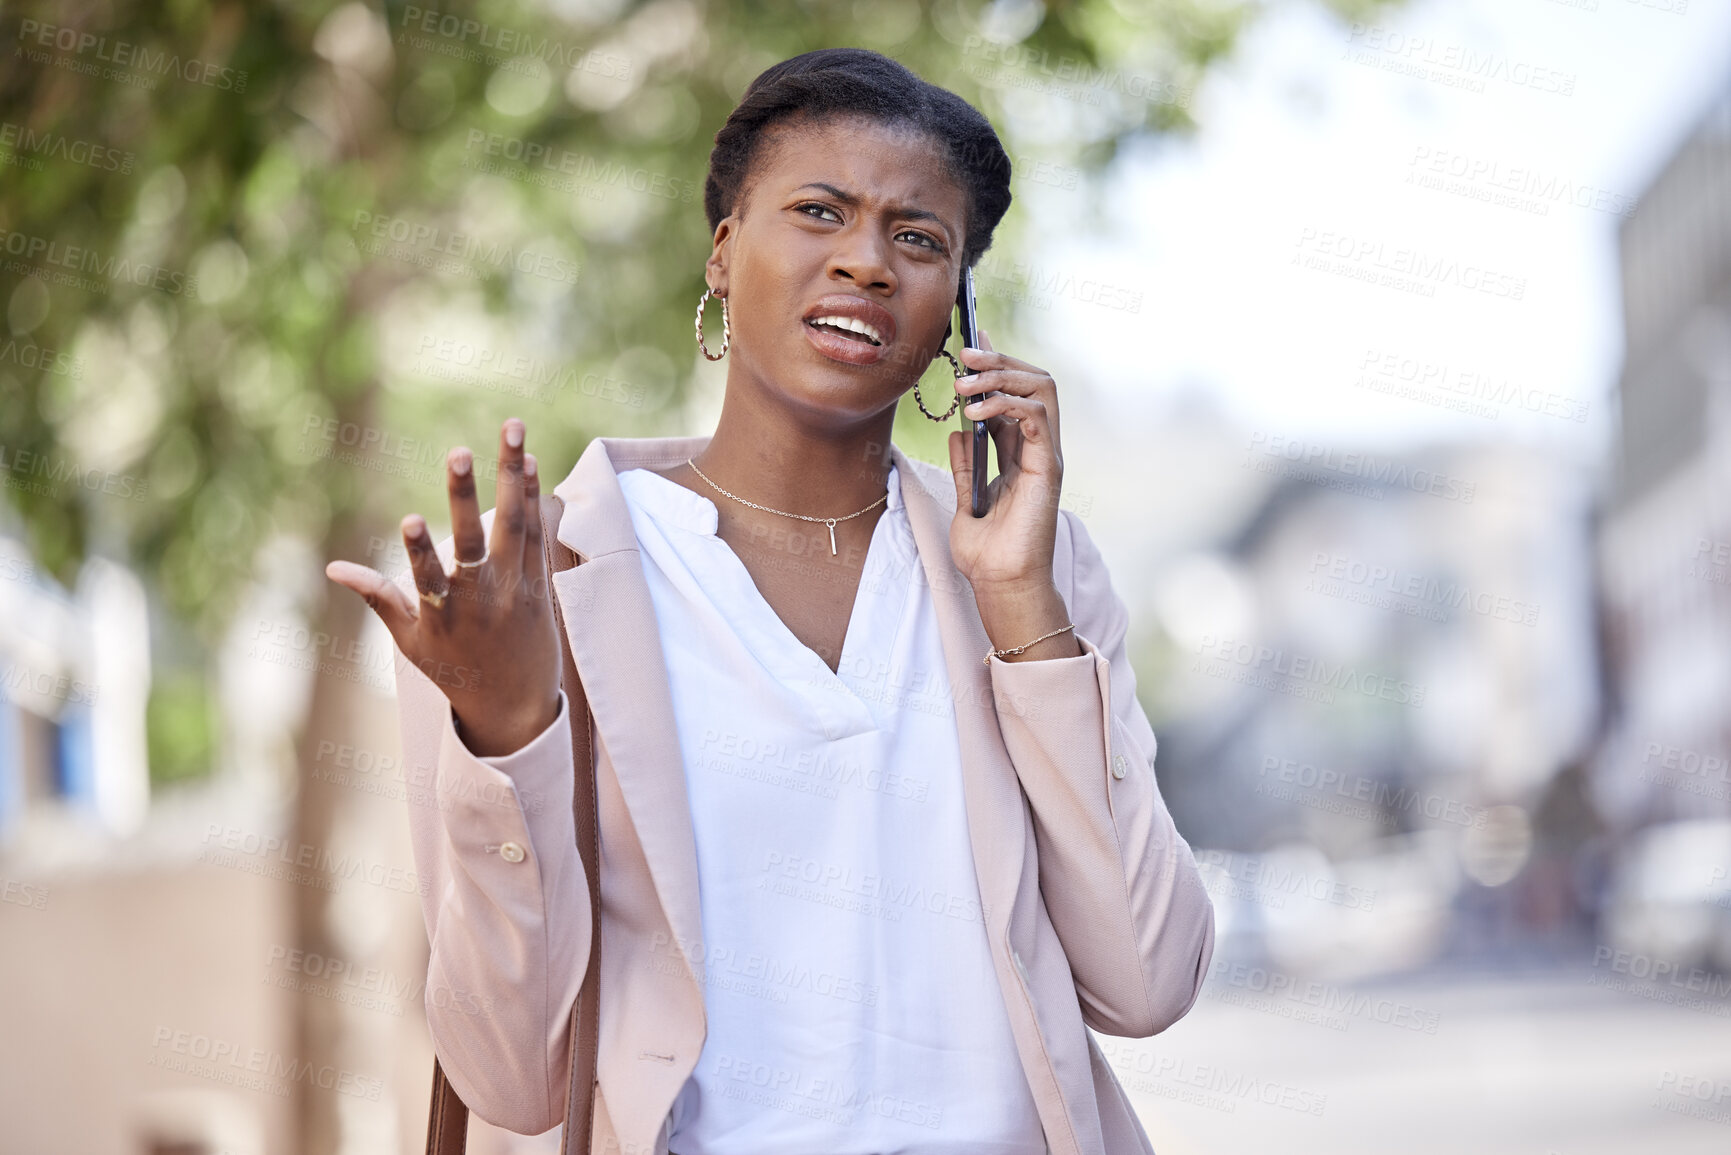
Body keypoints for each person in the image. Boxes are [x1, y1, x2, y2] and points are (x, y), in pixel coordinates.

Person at [326, 46, 1213, 1155]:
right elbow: (512, 1080)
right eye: (819, 211)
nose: (868, 263)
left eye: (920, 239)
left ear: (958, 312)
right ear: (723, 252)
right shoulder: (534, 588)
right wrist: (508, 734)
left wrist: (1027, 614)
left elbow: (1150, 981)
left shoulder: (1038, 570)